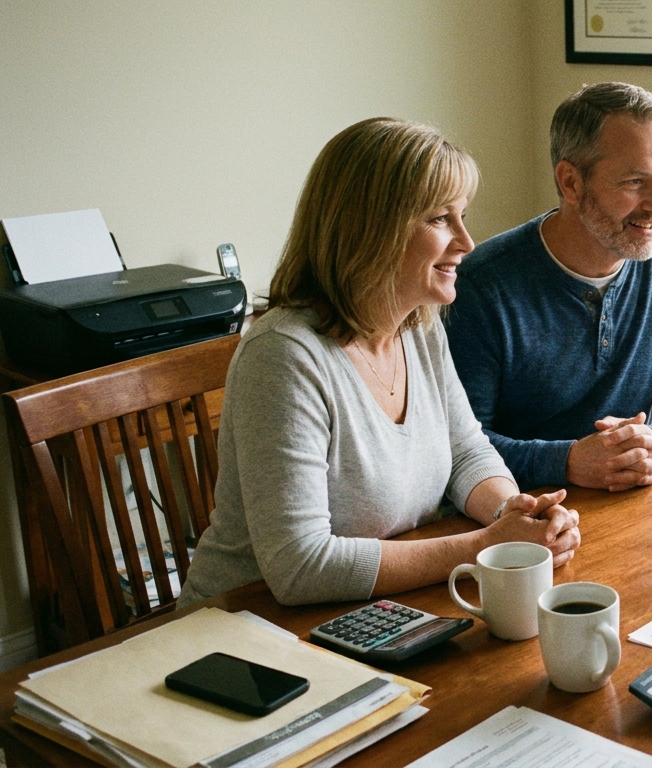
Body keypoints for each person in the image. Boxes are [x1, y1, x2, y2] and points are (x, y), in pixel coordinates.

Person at [181, 118, 581, 607]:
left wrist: (513, 514)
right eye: (440, 219)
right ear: (372, 229)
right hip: (242, 630)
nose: (466, 241)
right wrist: (482, 547)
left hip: (367, 610)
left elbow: (466, 453)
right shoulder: (283, 357)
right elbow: (299, 567)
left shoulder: (420, 326)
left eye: (463, 215)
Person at [446, 82, 652, 492]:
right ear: (571, 182)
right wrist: (568, 461)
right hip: (521, 518)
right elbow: (458, 448)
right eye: (634, 182)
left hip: (635, 502)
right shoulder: (481, 286)